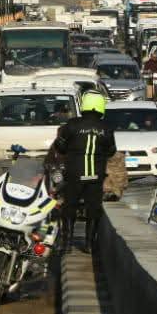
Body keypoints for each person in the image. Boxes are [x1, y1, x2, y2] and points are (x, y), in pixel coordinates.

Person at [50, 91, 117, 253]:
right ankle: (89, 245)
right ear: (101, 106)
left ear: (84, 105)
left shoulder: (72, 124)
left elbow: (60, 146)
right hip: (96, 175)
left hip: (74, 174)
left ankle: (67, 244)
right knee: (93, 209)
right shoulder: (106, 128)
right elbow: (111, 151)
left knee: (69, 207)